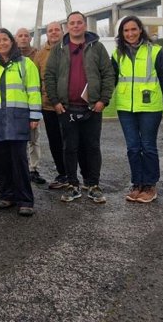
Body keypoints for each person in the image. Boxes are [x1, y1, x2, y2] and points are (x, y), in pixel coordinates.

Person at [44, 11, 115, 205]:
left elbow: (108, 74)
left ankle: (93, 185)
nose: (75, 26)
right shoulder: (59, 49)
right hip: (66, 108)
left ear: (85, 25)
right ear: (67, 27)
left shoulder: (97, 47)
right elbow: (49, 76)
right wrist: (55, 102)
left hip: (92, 108)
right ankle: (72, 184)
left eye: (79, 22)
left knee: (92, 147)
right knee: (70, 148)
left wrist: (103, 100)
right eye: (72, 23)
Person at [0, 28, 42, 216]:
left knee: (19, 160)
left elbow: (33, 90)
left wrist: (34, 115)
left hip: (18, 119)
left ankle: (25, 200)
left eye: (5, 39)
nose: (2, 43)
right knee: (1, 160)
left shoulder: (26, 64)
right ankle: (7, 195)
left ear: (12, 42)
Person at [111, 16, 163, 203]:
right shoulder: (117, 54)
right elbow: (112, 79)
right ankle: (137, 184)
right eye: (126, 30)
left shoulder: (156, 51)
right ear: (121, 33)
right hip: (125, 108)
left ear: (140, 30)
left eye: (133, 29)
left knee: (148, 146)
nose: (130, 33)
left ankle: (150, 185)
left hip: (150, 107)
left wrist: (157, 99)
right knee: (133, 147)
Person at [32, 21, 69, 189]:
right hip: (48, 105)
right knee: (55, 141)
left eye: (56, 30)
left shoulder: (69, 49)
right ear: (46, 34)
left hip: (69, 104)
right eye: (50, 30)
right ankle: (62, 173)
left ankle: (74, 174)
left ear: (62, 32)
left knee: (71, 141)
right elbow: (35, 81)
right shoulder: (40, 55)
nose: (54, 33)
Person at [17, 27, 45, 185]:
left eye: (26, 35)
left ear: (30, 38)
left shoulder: (37, 55)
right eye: (20, 36)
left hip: (32, 102)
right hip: (17, 104)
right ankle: (20, 169)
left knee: (34, 139)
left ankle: (33, 169)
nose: (23, 38)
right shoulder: (11, 55)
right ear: (16, 39)